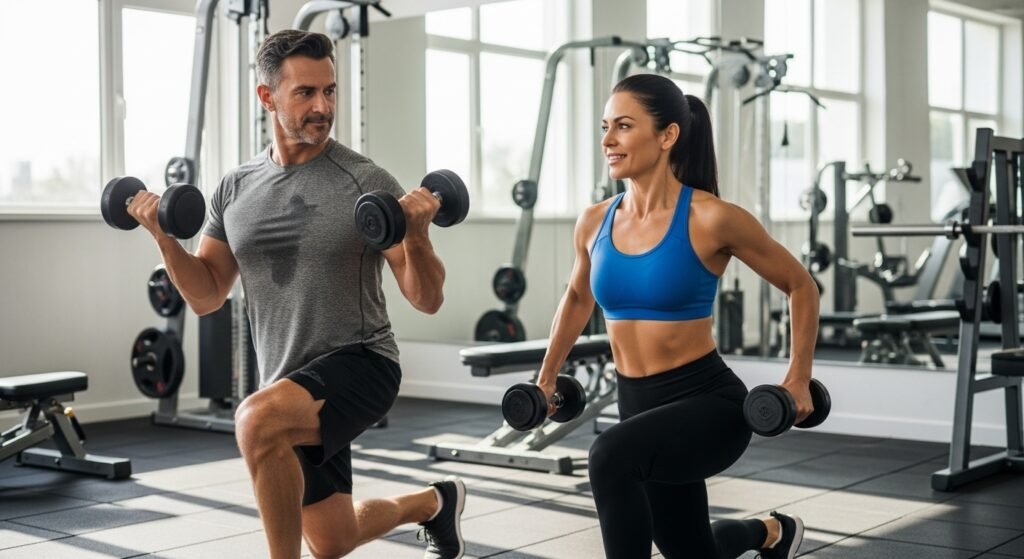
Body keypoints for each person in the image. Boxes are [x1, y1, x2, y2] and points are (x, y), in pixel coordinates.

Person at [126, 30, 466, 559]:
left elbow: (426, 299)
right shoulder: (234, 188)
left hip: (362, 363)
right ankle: (435, 504)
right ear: (268, 97)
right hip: (287, 380)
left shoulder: (365, 181)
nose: (323, 107)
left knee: (256, 420)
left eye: (330, 91)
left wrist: (417, 234)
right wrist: (164, 237)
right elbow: (207, 294)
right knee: (333, 541)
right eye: (306, 93)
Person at [533, 73, 820, 559]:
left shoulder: (712, 218)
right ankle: (769, 532)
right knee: (691, 551)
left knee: (608, 456)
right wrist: (545, 379)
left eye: (623, 126)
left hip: (709, 405)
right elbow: (577, 299)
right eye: (605, 126)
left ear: (667, 136)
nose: (608, 140)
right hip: (637, 403)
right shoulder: (594, 220)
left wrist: (797, 379)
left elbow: (801, 286)